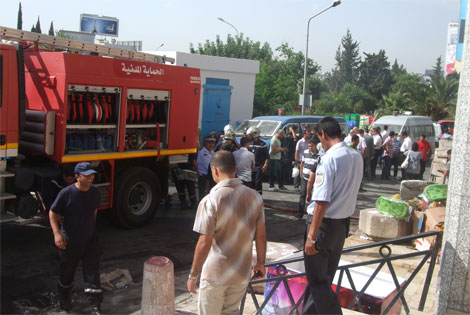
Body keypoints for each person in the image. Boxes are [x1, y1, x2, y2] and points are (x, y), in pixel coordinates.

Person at [187, 151, 267, 315]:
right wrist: (260, 263)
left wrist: (193, 274)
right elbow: (261, 236)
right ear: (234, 169)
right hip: (241, 273)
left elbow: (204, 242)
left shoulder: (211, 200)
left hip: (215, 274)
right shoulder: (255, 197)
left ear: (214, 170)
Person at [303, 117, 363, 314]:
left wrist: (311, 236)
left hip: (322, 226)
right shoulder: (356, 156)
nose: (320, 142)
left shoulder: (329, 159)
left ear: (324, 135)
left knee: (318, 282)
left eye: (319, 138)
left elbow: (321, 201)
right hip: (340, 226)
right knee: (322, 279)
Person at [49, 162, 102, 314]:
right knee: (67, 272)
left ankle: (95, 306)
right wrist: (57, 234)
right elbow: (53, 213)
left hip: (90, 240)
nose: (91, 177)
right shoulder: (66, 193)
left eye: (92, 174)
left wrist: (90, 228)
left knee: (92, 274)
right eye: (87, 175)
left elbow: (94, 211)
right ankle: (65, 298)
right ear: (77, 177)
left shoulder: (95, 191)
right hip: (70, 241)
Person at [297, 138, 319, 219]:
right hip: (304, 177)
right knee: (302, 194)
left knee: (313, 196)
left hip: (314, 179)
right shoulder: (305, 152)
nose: (310, 148)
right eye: (309, 146)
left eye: (311, 146)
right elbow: (302, 163)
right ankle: (300, 212)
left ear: (316, 146)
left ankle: (311, 214)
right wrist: (301, 172)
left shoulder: (319, 155)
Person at [247, 126, 269, 195]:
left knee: (258, 182)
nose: (249, 136)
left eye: (250, 134)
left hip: (259, 167)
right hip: (250, 167)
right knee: (251, 182)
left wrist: (265, 165)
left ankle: (258, 196)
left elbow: (267, 156)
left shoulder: (262, 144)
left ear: (255, 134)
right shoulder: (249, 144)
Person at [196, 136, 216, 201]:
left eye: (213, 143)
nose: (211, 145)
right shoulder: (203, 153)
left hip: (209, 177)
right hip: (204, 177)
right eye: (209, 143)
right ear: (205, 143)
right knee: (203, 194)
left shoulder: (212, 152)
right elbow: (208, 166)